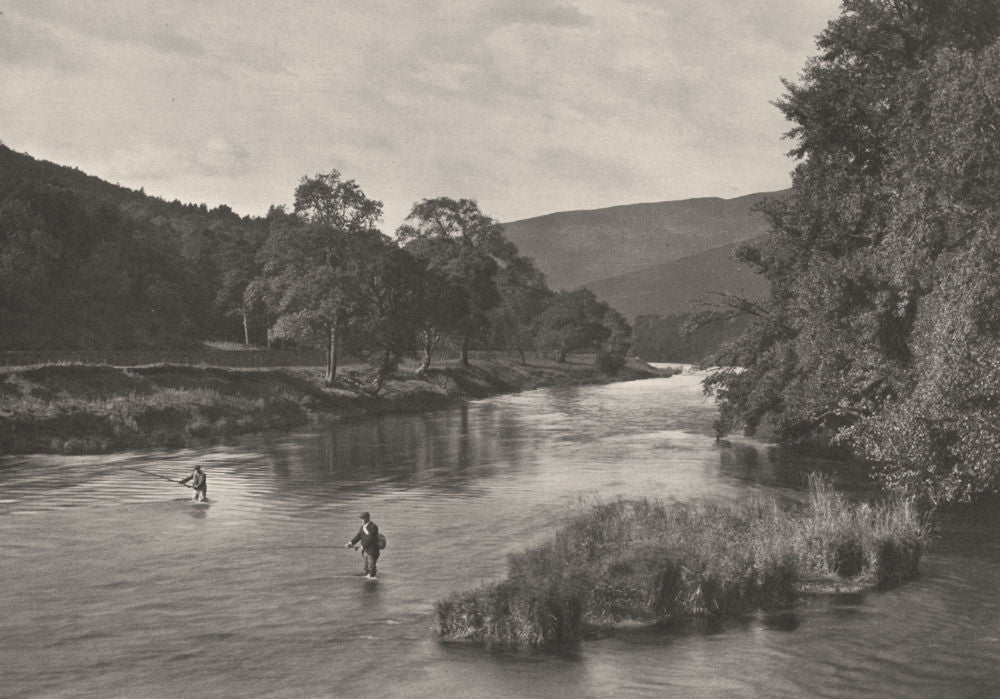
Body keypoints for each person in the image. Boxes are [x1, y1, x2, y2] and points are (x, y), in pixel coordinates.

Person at [345, 511, 380, 579]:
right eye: (361, 519)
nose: (361, 521)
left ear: (367, 518)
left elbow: (370, 538)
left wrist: (363, 546)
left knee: (372, 568)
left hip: (372, 552)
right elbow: (358, 536)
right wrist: (350, 543)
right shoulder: (362, 527)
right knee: (366, 569)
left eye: (363, 519)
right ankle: (368, 581)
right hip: (365, 551)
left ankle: (373, 582)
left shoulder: (373, 527)